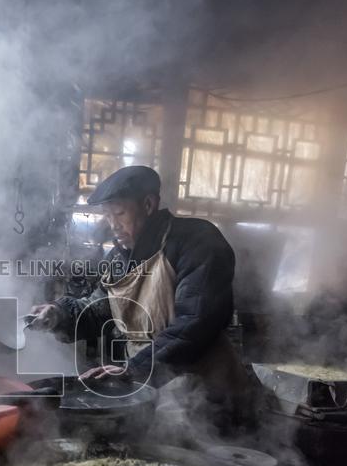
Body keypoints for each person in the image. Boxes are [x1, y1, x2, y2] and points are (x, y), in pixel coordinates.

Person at [30, 165, 246, 404]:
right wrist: (59, 313)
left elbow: (195, 323)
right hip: (149, 390)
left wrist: (134, 369)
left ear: (148, 205)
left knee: (205, 440)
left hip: (206, 390)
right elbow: (97, 309)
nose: (113, 225)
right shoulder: (119, 258)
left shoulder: (197, 242)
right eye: (108, 215)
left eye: (120, 213)